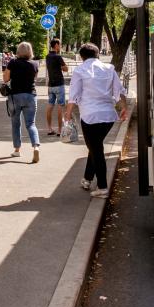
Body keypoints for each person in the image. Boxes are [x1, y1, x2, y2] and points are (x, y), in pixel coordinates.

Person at [66, 43, 129, 198]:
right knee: (94, 147)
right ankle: (87, 179)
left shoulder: (80, 70)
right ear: (97, 54)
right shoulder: (109, 69)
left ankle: (102, 187)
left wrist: (67, 114)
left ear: (82, 57)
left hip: (89, 116)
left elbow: (73, 94)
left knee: (96, 149)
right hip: (108, 115)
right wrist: (123, 108)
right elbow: (118, 91)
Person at [3, 41, 41, 162]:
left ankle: (17, 150)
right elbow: (34, 78)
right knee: (31, 124)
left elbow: (6, 78)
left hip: (15, 96)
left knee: (15, 123)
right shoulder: (35, 64)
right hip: (31, 95)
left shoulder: (13, 62)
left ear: (18, 51)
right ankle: (36, 147)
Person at [44, 38, 69, 136]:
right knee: (60, 106)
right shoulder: (58, 57)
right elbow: (66, 69)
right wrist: (62, 67)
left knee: (50, 105)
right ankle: (59, 130)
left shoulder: (47, 56)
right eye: (60, 44)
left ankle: (49, 129)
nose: (61, 46)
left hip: (51, 85)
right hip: (59, 84)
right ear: (56, 45)